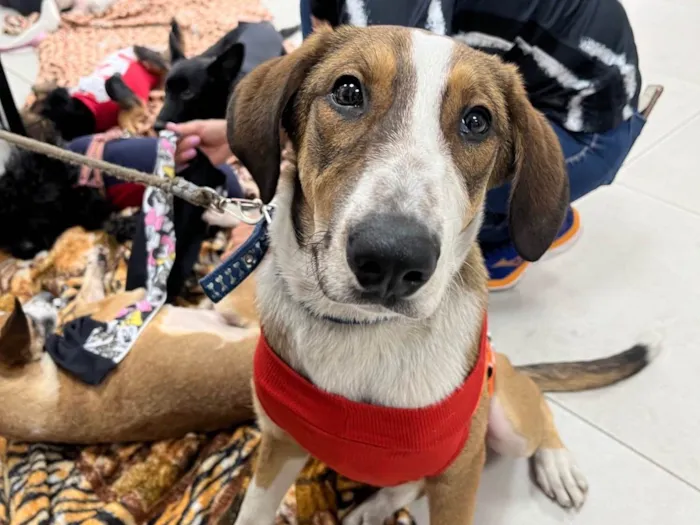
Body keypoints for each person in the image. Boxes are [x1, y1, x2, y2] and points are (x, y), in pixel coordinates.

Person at [298, 0, 646, 291]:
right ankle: (535, 213)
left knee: (455, 182)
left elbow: (416, 80)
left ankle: (516, 228)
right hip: (556, 84)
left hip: (588, 131)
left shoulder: (390, 15)